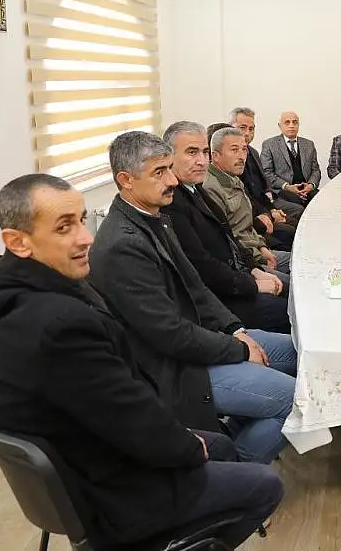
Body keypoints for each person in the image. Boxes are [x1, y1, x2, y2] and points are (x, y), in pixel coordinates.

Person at [0, 174, 282, 550]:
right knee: (265, 486)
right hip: (109, 492)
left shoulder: (2, 293)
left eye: (81, 220)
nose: (85, 238)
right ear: (17, 241)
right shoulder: (58, 324)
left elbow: (113, 403)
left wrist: (182, 441)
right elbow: (128, 415)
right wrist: (186, 447)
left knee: (221, 448)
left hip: (85, 457)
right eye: (64, 227)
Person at [88, 132, 297, 465]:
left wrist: (235, 330)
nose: (172, 180)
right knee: (298, 398)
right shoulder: (121, 246)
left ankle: (230, 443)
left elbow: (196, 288)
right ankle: (237, 472)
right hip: (179, 370)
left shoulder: (156, 218)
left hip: (203, 343)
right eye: (159, 172)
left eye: (169, 169)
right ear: (125, 180)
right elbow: (169, 334)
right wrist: (240, 349)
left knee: (301, 354)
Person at [161, 121, 292, 334]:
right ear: (168, 157)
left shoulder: (195, 188)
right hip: (223, 301)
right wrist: (253, 283)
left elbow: (228, 238)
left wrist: (254, 270)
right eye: (192, 152)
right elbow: (202, 266)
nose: (201, 161)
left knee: (293, 294)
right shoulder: (171, 202)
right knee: (291, 309)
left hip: (238, 277)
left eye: (204, 152)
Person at [203, 127, 292, 274]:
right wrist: (259, 258)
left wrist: (262, 247)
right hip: (245, 263)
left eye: (244, 150)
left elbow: (246, 227)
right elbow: (228, 240)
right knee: (291, 281)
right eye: (234, 150)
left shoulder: (233, 178)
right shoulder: (211, 188)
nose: (241, 156)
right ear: (216, 156)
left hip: (257, 250)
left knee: (307, 261)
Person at [230, 107, 303, 226]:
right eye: (242, 128)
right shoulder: (230, 158)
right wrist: (270, 212)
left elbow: (264, 183)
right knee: (293, 223)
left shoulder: (253, 152)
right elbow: (245, 194)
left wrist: (272, 207)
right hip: (253, 209)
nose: (247, 133)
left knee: (299, 211)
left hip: (268, 199)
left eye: (251, 129)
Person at [260, 110, 321, 207]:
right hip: (283, 189)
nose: (291, 125)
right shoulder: (269, 144)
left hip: (307, 189)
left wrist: (311, 185)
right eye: (287, 122)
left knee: (321, 201)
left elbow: (315, 170)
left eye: (295, 122)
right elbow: (266, 172)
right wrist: (286, 186)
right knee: (299, 204)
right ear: (280, 126)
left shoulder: (309, 144)